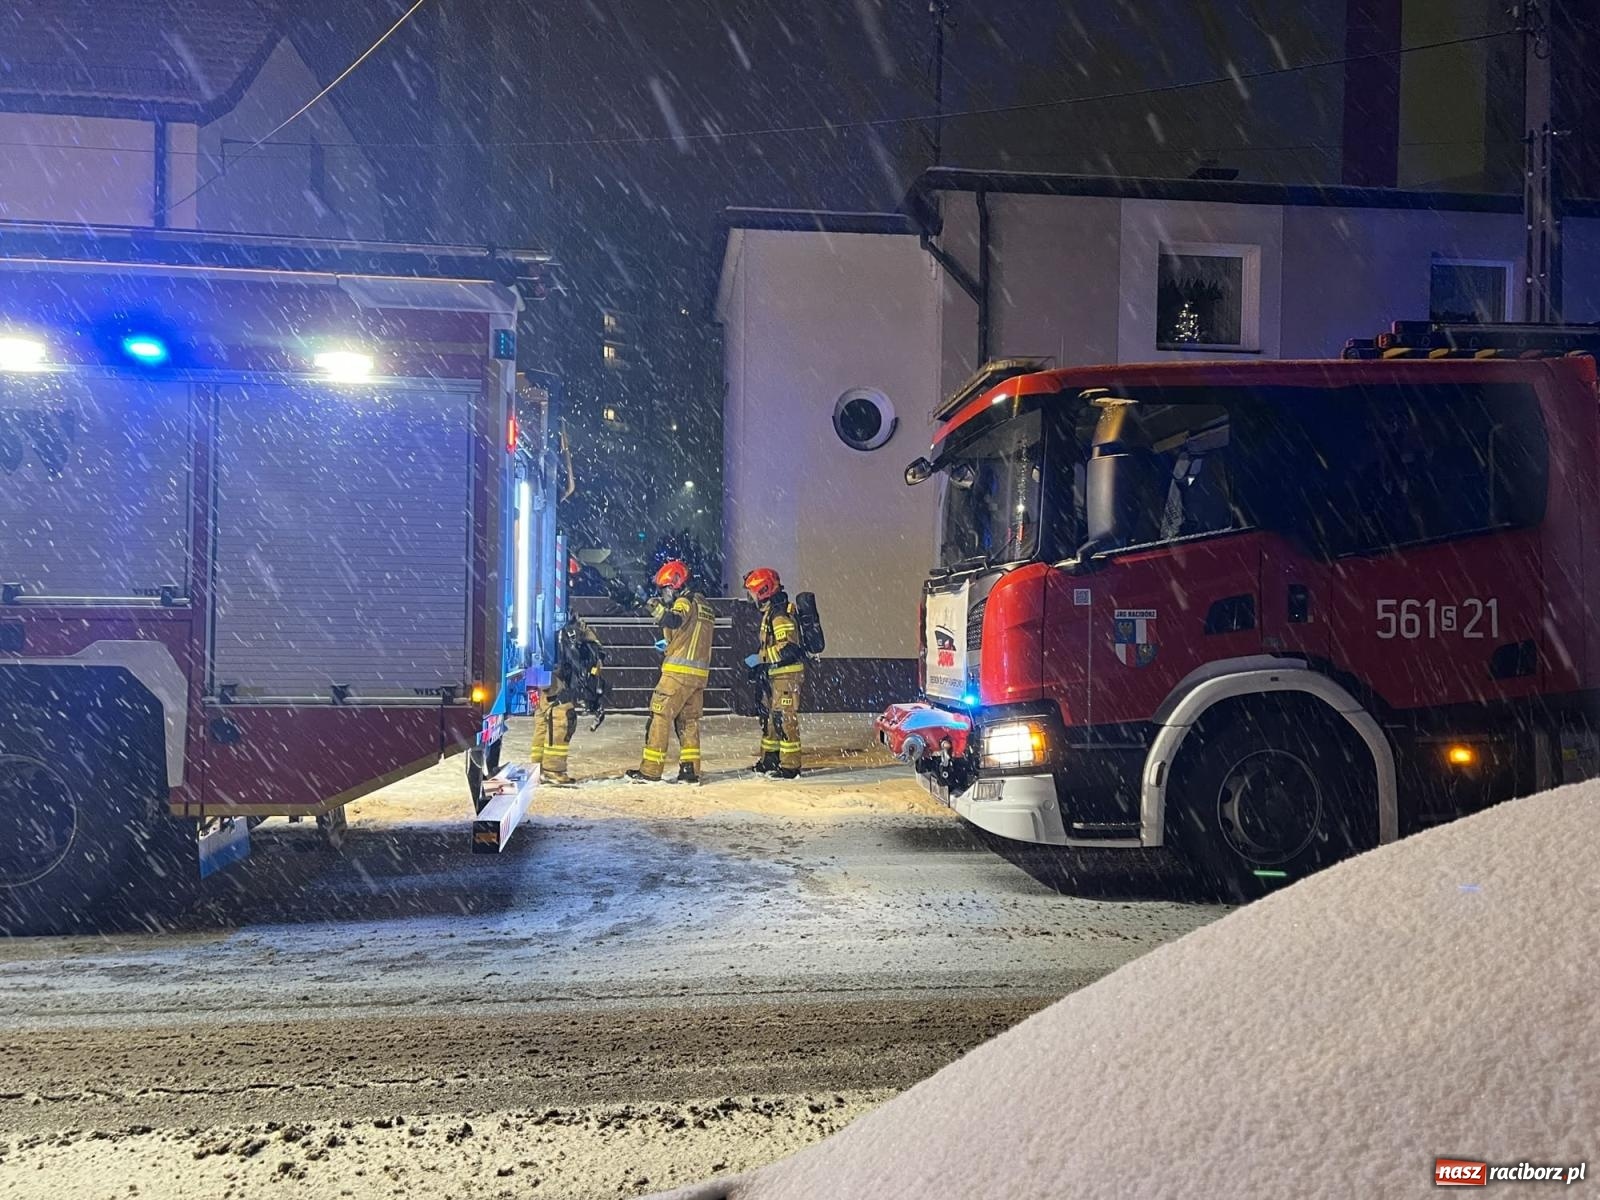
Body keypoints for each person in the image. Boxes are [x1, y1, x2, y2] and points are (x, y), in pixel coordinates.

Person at [625, 558, 716, 785]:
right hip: (698, 676)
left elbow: (674, 620)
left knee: (660, 716)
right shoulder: (704, 604)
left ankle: (651, 770)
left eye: (665, 589)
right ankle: (690, 770)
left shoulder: (684, 601)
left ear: (675, 583)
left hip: (677, 673)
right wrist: (669, 643)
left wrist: (652, 605)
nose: (664, 594)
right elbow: (689, 635)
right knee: (689, 722)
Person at [742, 566, 805, 779]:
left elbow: (788, 647)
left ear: (764, 591)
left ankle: (790, 766)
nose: (750, 597)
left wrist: (760, 659)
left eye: (752, 592)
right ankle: (770, 759)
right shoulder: (771, 612)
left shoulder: (779, 614)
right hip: (776, 675)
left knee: (784, 719)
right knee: (771, 719)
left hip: (787, 676)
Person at [530, 610, 605, 785]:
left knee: (543, 720)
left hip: (544, 674)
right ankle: (552, 770)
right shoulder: (570, 624)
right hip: (556, 677)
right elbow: (590, 652)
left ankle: (537, 767)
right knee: (562, 717)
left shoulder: (551, 618)